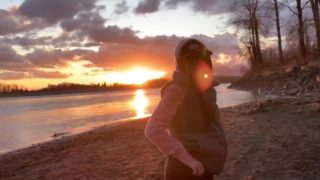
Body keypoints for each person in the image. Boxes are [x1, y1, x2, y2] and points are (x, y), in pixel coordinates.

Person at [144, 38, 228, 180]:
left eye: (204, 58)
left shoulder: (207, 88)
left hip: (206, 165)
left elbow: (212, 123)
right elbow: (152, 130)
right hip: (184, 169)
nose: (200, 64)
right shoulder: (176, 90)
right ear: (182, 63)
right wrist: (189, 160)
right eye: (192, 60)